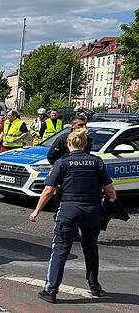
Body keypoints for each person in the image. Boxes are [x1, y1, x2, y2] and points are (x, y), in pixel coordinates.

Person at [30, 129, 118, 303]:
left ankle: (51, 290)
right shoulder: (96, 162)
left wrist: (37, 210)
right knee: (91, 249)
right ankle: (94, 286)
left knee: (60, 249)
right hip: (92, 211)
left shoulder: (63, 162)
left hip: (69, 210)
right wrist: (113, 203)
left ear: (69, 144)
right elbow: (109, 188)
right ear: (85, 144)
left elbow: (49, 190)